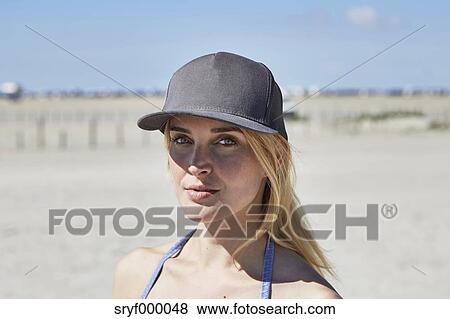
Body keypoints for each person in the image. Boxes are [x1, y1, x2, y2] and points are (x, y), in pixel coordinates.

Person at [112, 51, 342, 299]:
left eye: (225, 141)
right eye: (182, 139)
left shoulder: (307, 298)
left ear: (275, 159)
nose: (197, 164)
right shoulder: (137, 275)